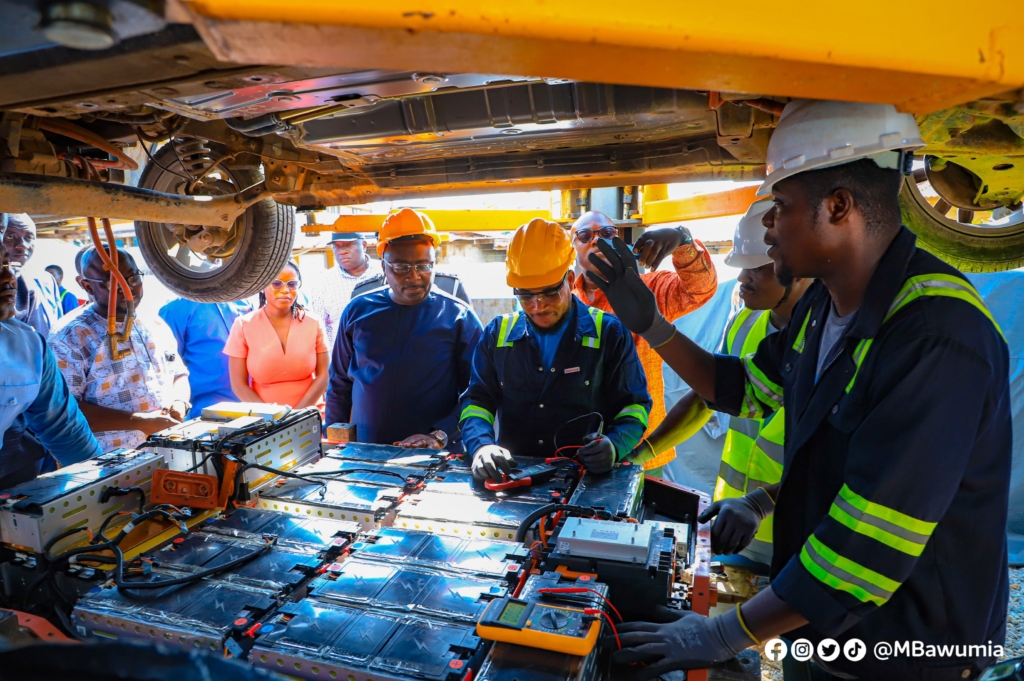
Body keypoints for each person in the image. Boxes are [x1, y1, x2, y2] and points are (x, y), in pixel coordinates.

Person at [587, 100, 1010, 681]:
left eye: (779, 207)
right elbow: (741, 391)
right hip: (821, 624)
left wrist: (717, 634)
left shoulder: (934, 337)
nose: (767, 225)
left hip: (910, 646)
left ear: (838, 207)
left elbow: (865, 550)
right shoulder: (821, 309)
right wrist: (652, 325)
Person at [641, 198, 812, 573]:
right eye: (741, 267)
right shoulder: (744, 324)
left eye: (756, 268)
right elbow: (708, 398)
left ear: (796, 267)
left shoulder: (828, 341)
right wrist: (641, 455)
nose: (742, 278)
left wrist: (761, 504)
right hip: (733, 527)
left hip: (799, 535)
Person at [460, 218, 651, 482]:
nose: (538, 306)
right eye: (525, 295)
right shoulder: (497, 335)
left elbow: (634, 406)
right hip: (513, 477)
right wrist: (481, 445)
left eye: (550, 293)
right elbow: (476, 402)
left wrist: (616, 445)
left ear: (570, 280)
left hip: (585, 480)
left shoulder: (608, 333)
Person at [571, 211, 717, 471]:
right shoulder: (564, 302)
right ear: (573, 246)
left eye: (606, 234)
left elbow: (700, 289)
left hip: (641, 452)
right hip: (579, 450)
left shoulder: (648, 290)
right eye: (585, 235)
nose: (596, 241)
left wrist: (682, 240)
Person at [325, 209, 483, 449]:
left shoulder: (459, 317)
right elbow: (339, 382)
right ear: (384, 268)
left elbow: (476, 392)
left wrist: (440, 434)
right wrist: (335, 439)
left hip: (433, 456)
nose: (414, 276)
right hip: (366, 451)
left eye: (424, 266)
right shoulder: (358, 311)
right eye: (401, 267)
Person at [48, 247, 190, 451]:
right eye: (112, 283)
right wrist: (141, 422)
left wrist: (180, 401)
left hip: (169, 453)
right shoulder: (69, 337)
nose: (127, 288)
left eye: (133, 278)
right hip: (108, 464)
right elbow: (64, 411)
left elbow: (179, 373)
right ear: (87, 286)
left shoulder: (153, 322)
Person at [0, 224, 101, 489]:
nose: (7, 276)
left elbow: (66, 432)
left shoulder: (28, 346)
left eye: (5, 262)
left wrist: (106, 489)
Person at [224, 262, 329, 409]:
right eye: (277, 284)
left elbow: (324, 376)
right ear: (262, 287)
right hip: (265, 421)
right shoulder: (243, 325)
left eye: (292, 284)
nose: (285, 290)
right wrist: (274, 418)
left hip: (310, 415)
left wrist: (297, 415)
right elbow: (238, 385)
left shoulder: (314, 323)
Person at [159, 297, 253, 415]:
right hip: (205, 411)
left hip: (253, 403)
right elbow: (168, 368)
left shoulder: (243, 300)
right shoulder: (174, 309)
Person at [306, 230, 372, 351]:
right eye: (336, 246)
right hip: (343, 363)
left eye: (349, 245)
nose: (342, 251)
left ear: (364, 245)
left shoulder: (385, 273)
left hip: (383, 360)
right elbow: (318, 331)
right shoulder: (323, 283)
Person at [4, 214, 62, 336]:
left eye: (29, 237)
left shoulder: (47, 279)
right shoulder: (3, 282)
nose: (23, 244)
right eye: (10, 236)